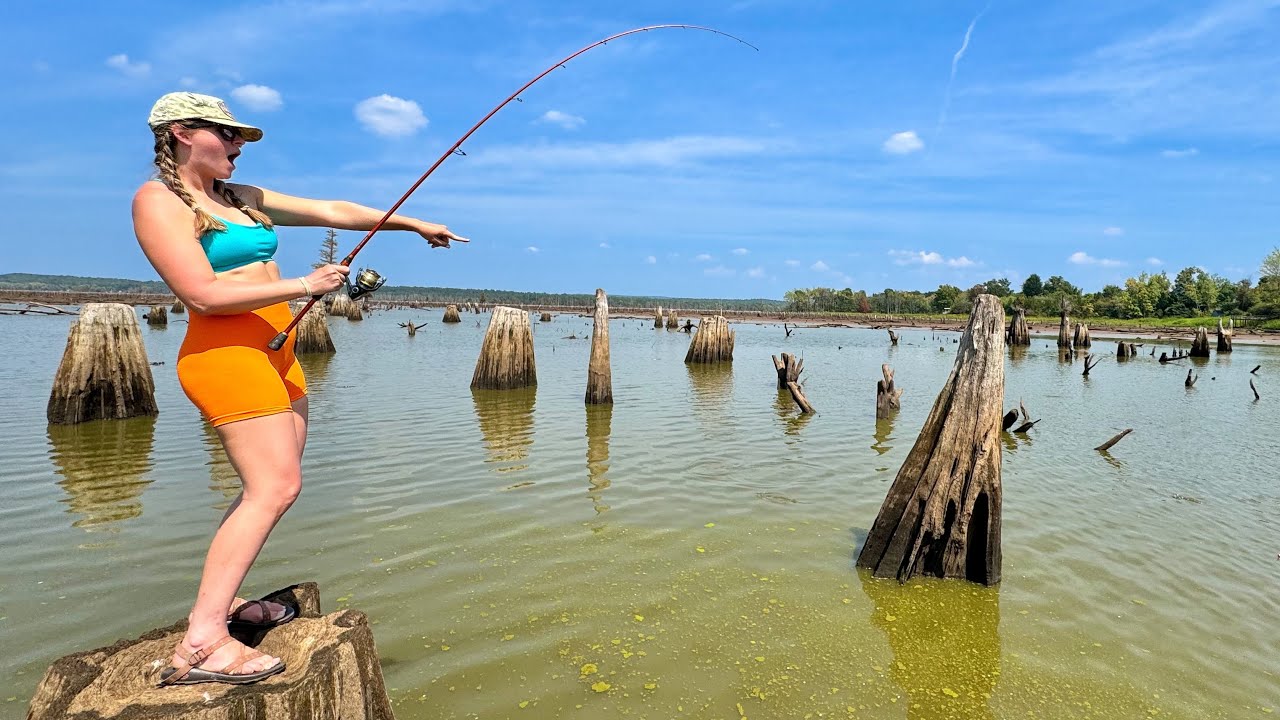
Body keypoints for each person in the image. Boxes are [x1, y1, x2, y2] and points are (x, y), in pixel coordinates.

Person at [132, 91, 467, 686]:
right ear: (183, 132)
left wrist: (413, 224)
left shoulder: (240, 198)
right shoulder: (157, 201)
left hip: (277, 352)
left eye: (241, 138)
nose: (238, 146)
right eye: (228, 135)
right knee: (275, 486)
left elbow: (330, 209)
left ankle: (220, 603)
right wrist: (303, 282)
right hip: (224, 354)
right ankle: (204, 642)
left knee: (270, 488)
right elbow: (202, 294)